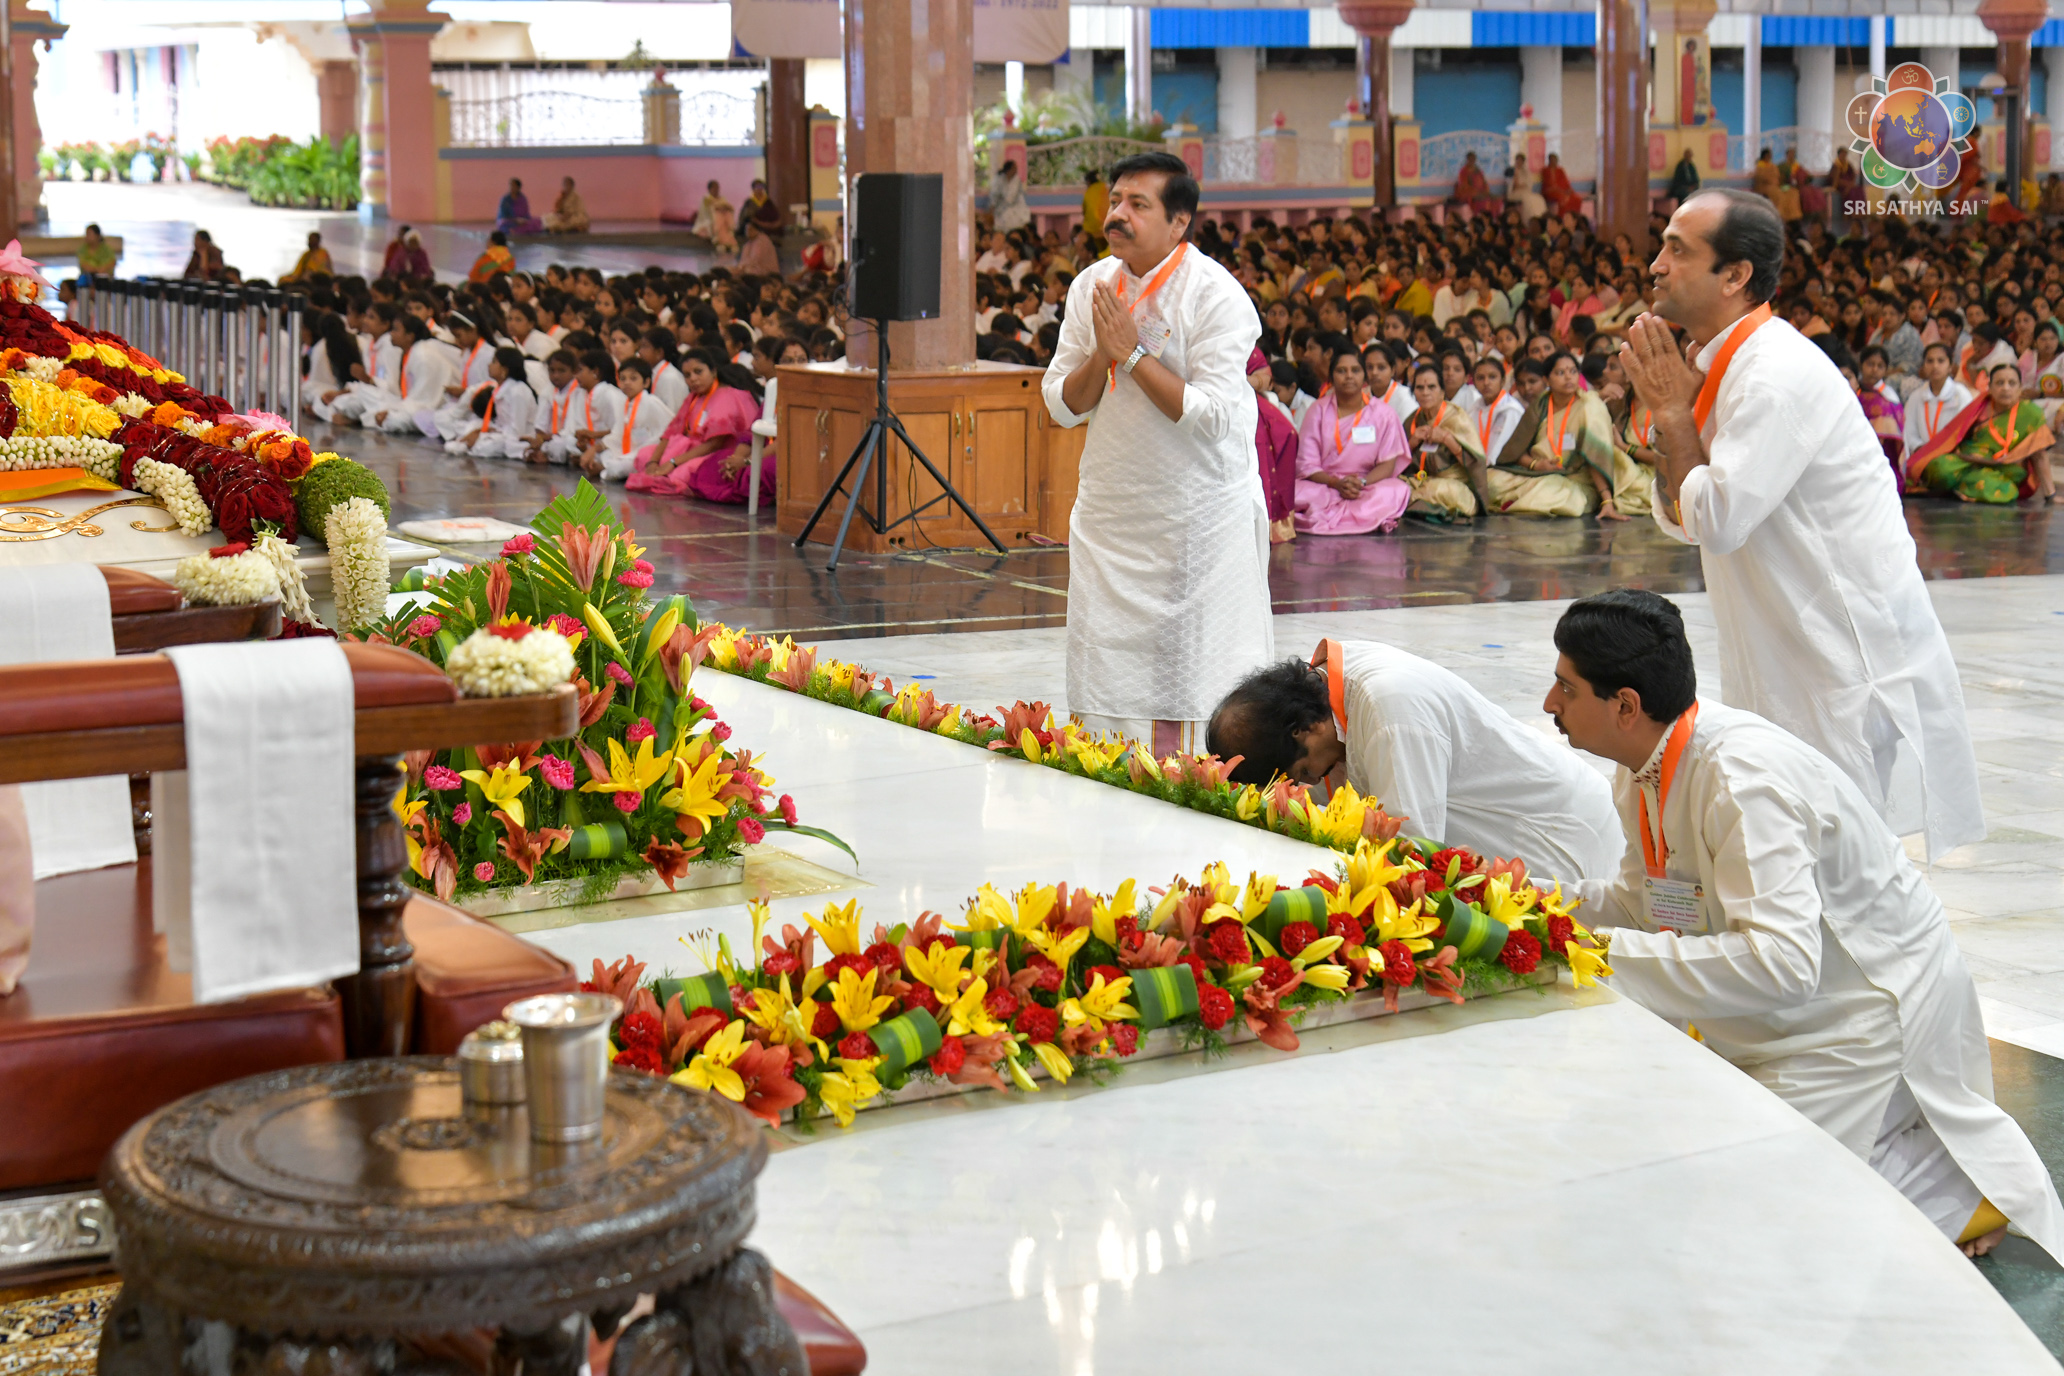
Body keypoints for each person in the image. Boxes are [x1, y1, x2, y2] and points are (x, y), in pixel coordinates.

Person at [1544, 588, 2064, 1264]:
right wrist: (1533, 903)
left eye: (1564, 687)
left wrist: (1587, 947)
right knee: (1672, 1164)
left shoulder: (1740, 781)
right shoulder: (1649, 767)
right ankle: (1908, 1150)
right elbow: (1652, 904)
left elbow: (1783, 965)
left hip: (1860, 1012)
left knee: (1756, 1229)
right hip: (1794, 1008)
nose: (1550, 705)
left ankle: (1964, 1193)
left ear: (1624, 706)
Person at [1618, 187, 1983, 859]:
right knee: (1796, 834)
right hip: (1786, 635)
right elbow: (1689, 515)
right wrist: (1666, 424)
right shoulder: (1723, 366)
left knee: (1843, 849)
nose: (1656, 265)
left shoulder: (1773, 374)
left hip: (1838, 650)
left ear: (1735, 275)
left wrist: (1673, 418)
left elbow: (1719, 517)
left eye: (1678, 249)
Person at [1041, 150, 1272, 756]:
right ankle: (1109, 764)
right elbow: (1061, 405)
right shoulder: (1092, 284)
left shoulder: (1216, 294)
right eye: (1115, 200)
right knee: (1104, 649)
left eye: (1137, 204)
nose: (1117, 214)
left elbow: (1217, 416)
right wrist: (1105, 352)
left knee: (1196, 660)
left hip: (1195, 512)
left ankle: (1197, 775)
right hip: (1113, 509)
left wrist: (1134, 358)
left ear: (1179, 223)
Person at [1207, 640, 1622, 887]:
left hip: (1553, 836)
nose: (1312, 781)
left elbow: (1411, 854)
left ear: (1304, 729)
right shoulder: (1323, 693)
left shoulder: (1392, 711)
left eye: (1302, 773)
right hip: (1521, 823)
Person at [1487, 352, 1635, 519]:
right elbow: (1517, 449)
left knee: (1552, 492)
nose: (1568, 377)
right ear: (1547, 379)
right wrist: (1536, 465)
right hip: (1536, 473)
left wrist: (1606, 501)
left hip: (1573, 477)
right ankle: (1519, 501)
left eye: (1572, 372)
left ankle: (1515, 502)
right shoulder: (1541, 404)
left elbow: (1596, 454)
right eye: (1560, 373)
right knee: (1490, 481)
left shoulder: (1589, 406)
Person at [1293, 342, 1410, 535]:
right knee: (1294, 492)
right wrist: (1336, 483)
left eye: (1355, 370)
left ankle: (1346, 513)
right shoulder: (1317, 410)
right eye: (1341, 371)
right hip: (1325, 485)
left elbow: (1387, 465)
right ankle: (1365, 517)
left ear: (1365, 376)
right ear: (1331, 377)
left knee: (1397, 489)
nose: (1349, 376)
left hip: (1365, 486)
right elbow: (1307, 464)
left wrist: (1361, 483)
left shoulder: (1384, 414)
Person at [1905, 363, 2058, 506]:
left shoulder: (2031, 413)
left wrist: (2050, 495)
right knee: (1939, 467)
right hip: (1968, 460)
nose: (2005, 388)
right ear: (1990, 387)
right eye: (1999, 383)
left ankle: (1956, 487)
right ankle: (1964, 487)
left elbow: (2039, 455)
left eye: (2012, 383)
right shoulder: (1979, 408)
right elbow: (1953, 437)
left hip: (2003, 468)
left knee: (2006, 490)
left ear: (2020, 388)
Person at [624, 347, 764, 502]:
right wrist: (653, 461)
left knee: (679, 475)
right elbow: (671, 432)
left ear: (713, 371)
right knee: (644, 455)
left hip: (715, 453)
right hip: (690, 449)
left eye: (698, 372)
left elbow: (714, 444)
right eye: (687, 375)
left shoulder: (727, 395)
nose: (693, 379)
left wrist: (673, 462)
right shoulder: (693, 397)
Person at [1401, 360, 1488, 520]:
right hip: (1420, 480)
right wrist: (1412, 443)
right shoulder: (1412, 420)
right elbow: (1397, 463)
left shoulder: (1456, 417)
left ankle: (1409, 504)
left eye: (1431, 387)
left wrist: (1447, 439)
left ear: (1442, 391)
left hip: (1453, 485)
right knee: (1394, 486)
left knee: (1439, 489)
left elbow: (1476, 463)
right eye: (1420, 388)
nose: (1425, 392)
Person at [582, 356, 674, 482]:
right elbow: (617, 434)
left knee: (617, 467)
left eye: (633, 378)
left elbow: (669, 429)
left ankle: (603, 469)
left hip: (646, 453)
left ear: (646, 382)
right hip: (626, 452)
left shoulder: (651, 402)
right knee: (601, 456)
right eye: (623, 379)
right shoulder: (625, 404)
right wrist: (595, 449)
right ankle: (603, 467)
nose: (627, 383)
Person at [444, 347, 538, 460]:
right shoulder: (501, 388)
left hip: (517, 439)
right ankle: (469, 443)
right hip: (502, 432)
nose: (489, 365)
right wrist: (480, 431)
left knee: (488, 446)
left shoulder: (517, 392)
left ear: (504, 370)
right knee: (473, 425)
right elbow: (500, 422)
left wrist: (485, 433)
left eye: (494, 362)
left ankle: (470, 444)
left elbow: (517, 431)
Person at [1248, 348, 1299, 545]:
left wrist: (1239, 382)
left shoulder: (1237, 330)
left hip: (1240, 399)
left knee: (1281, 434)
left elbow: (1264, 377)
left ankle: (1265, 524)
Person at [1902, 342, 1973, 462]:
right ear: (1923, 366)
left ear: (1950, 366)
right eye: (1930, 361)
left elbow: (1965, 430)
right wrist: (1921, 449)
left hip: (1951, 455)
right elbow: (1909, 431)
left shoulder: (1961, 395)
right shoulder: (1916, 397)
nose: (1935, 366)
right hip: (1922, 455)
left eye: (1941, 361)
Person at [991, 158, 1031, 234]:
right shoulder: (1000, 179)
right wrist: (993, 205)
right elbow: (995, 194)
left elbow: (1012, 198)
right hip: (1001, 206)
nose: (1016, 170)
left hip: (1016, 205)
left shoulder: (1016, 180)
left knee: (1014, 216)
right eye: (1014, 168)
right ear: (1009, 169)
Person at [699, 180, 739, 255]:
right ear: (710, 189)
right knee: (717, 217)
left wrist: (725, 208)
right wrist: (720, 208)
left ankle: (729, 242)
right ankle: (719, 242)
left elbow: (729, 207)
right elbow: (708, 211)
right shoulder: (706, 199)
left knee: (727, 214)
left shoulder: (722, 198)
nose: (717, 189)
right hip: (711, 219)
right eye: (714, 187)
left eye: (717, 187)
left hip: (724, 219)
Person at [1540, 153, 1581, 219]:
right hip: (1551, 192)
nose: (1554, 162)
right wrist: (1561, 191)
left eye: (1555, 160)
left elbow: (1565, 182)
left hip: (1563, 191)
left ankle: (1575, 218)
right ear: (1549, 161)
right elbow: (1549, 185)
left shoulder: (1560, 170)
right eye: (1552, 160)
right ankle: (1562, 218)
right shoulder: (1545, 170)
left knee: (1576, 199)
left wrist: (1568, 190)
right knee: (1563, 199)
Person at [1083, 170, 1109, 243]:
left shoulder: (1088, 192)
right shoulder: (1105, 188)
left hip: (1092, 231)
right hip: (1106, 228)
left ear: (1088, 182)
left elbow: (1084, 211)